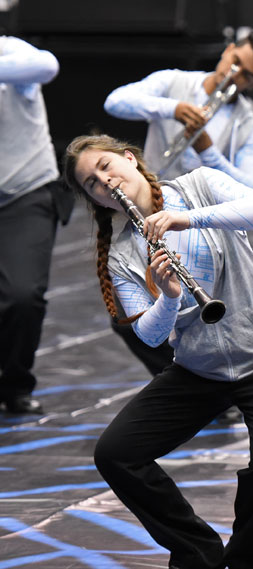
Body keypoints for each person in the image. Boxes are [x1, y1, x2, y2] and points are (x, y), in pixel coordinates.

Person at [63, 134, 253, 569]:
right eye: (92, 184)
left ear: (129, 159)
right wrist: (171, 297)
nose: (105, 181)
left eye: (105, 166)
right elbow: (151, 336)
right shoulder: (122, 253)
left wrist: (186, 220)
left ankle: (249, 556)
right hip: (200, 370)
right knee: (115, 454)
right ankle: (197, 551)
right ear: (97, 201)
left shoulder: (200, 185)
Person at [103, 31, 253, 421]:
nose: (234, 76)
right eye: (234, 63)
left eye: (246, 76)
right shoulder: (174, 82)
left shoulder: (248, 126)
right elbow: (115, 101)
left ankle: (217, 387)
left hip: (207, 229)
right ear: (227, 50)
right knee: (128, 317)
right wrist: (171, 109)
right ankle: (187, 382)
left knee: (207, 314)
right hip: (148, 219)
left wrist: (207, 150)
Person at [0, 36, 73, 415]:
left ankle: (14, 383)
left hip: (24, 193)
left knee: (22, 295)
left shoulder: (11, 49)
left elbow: (47, 65)